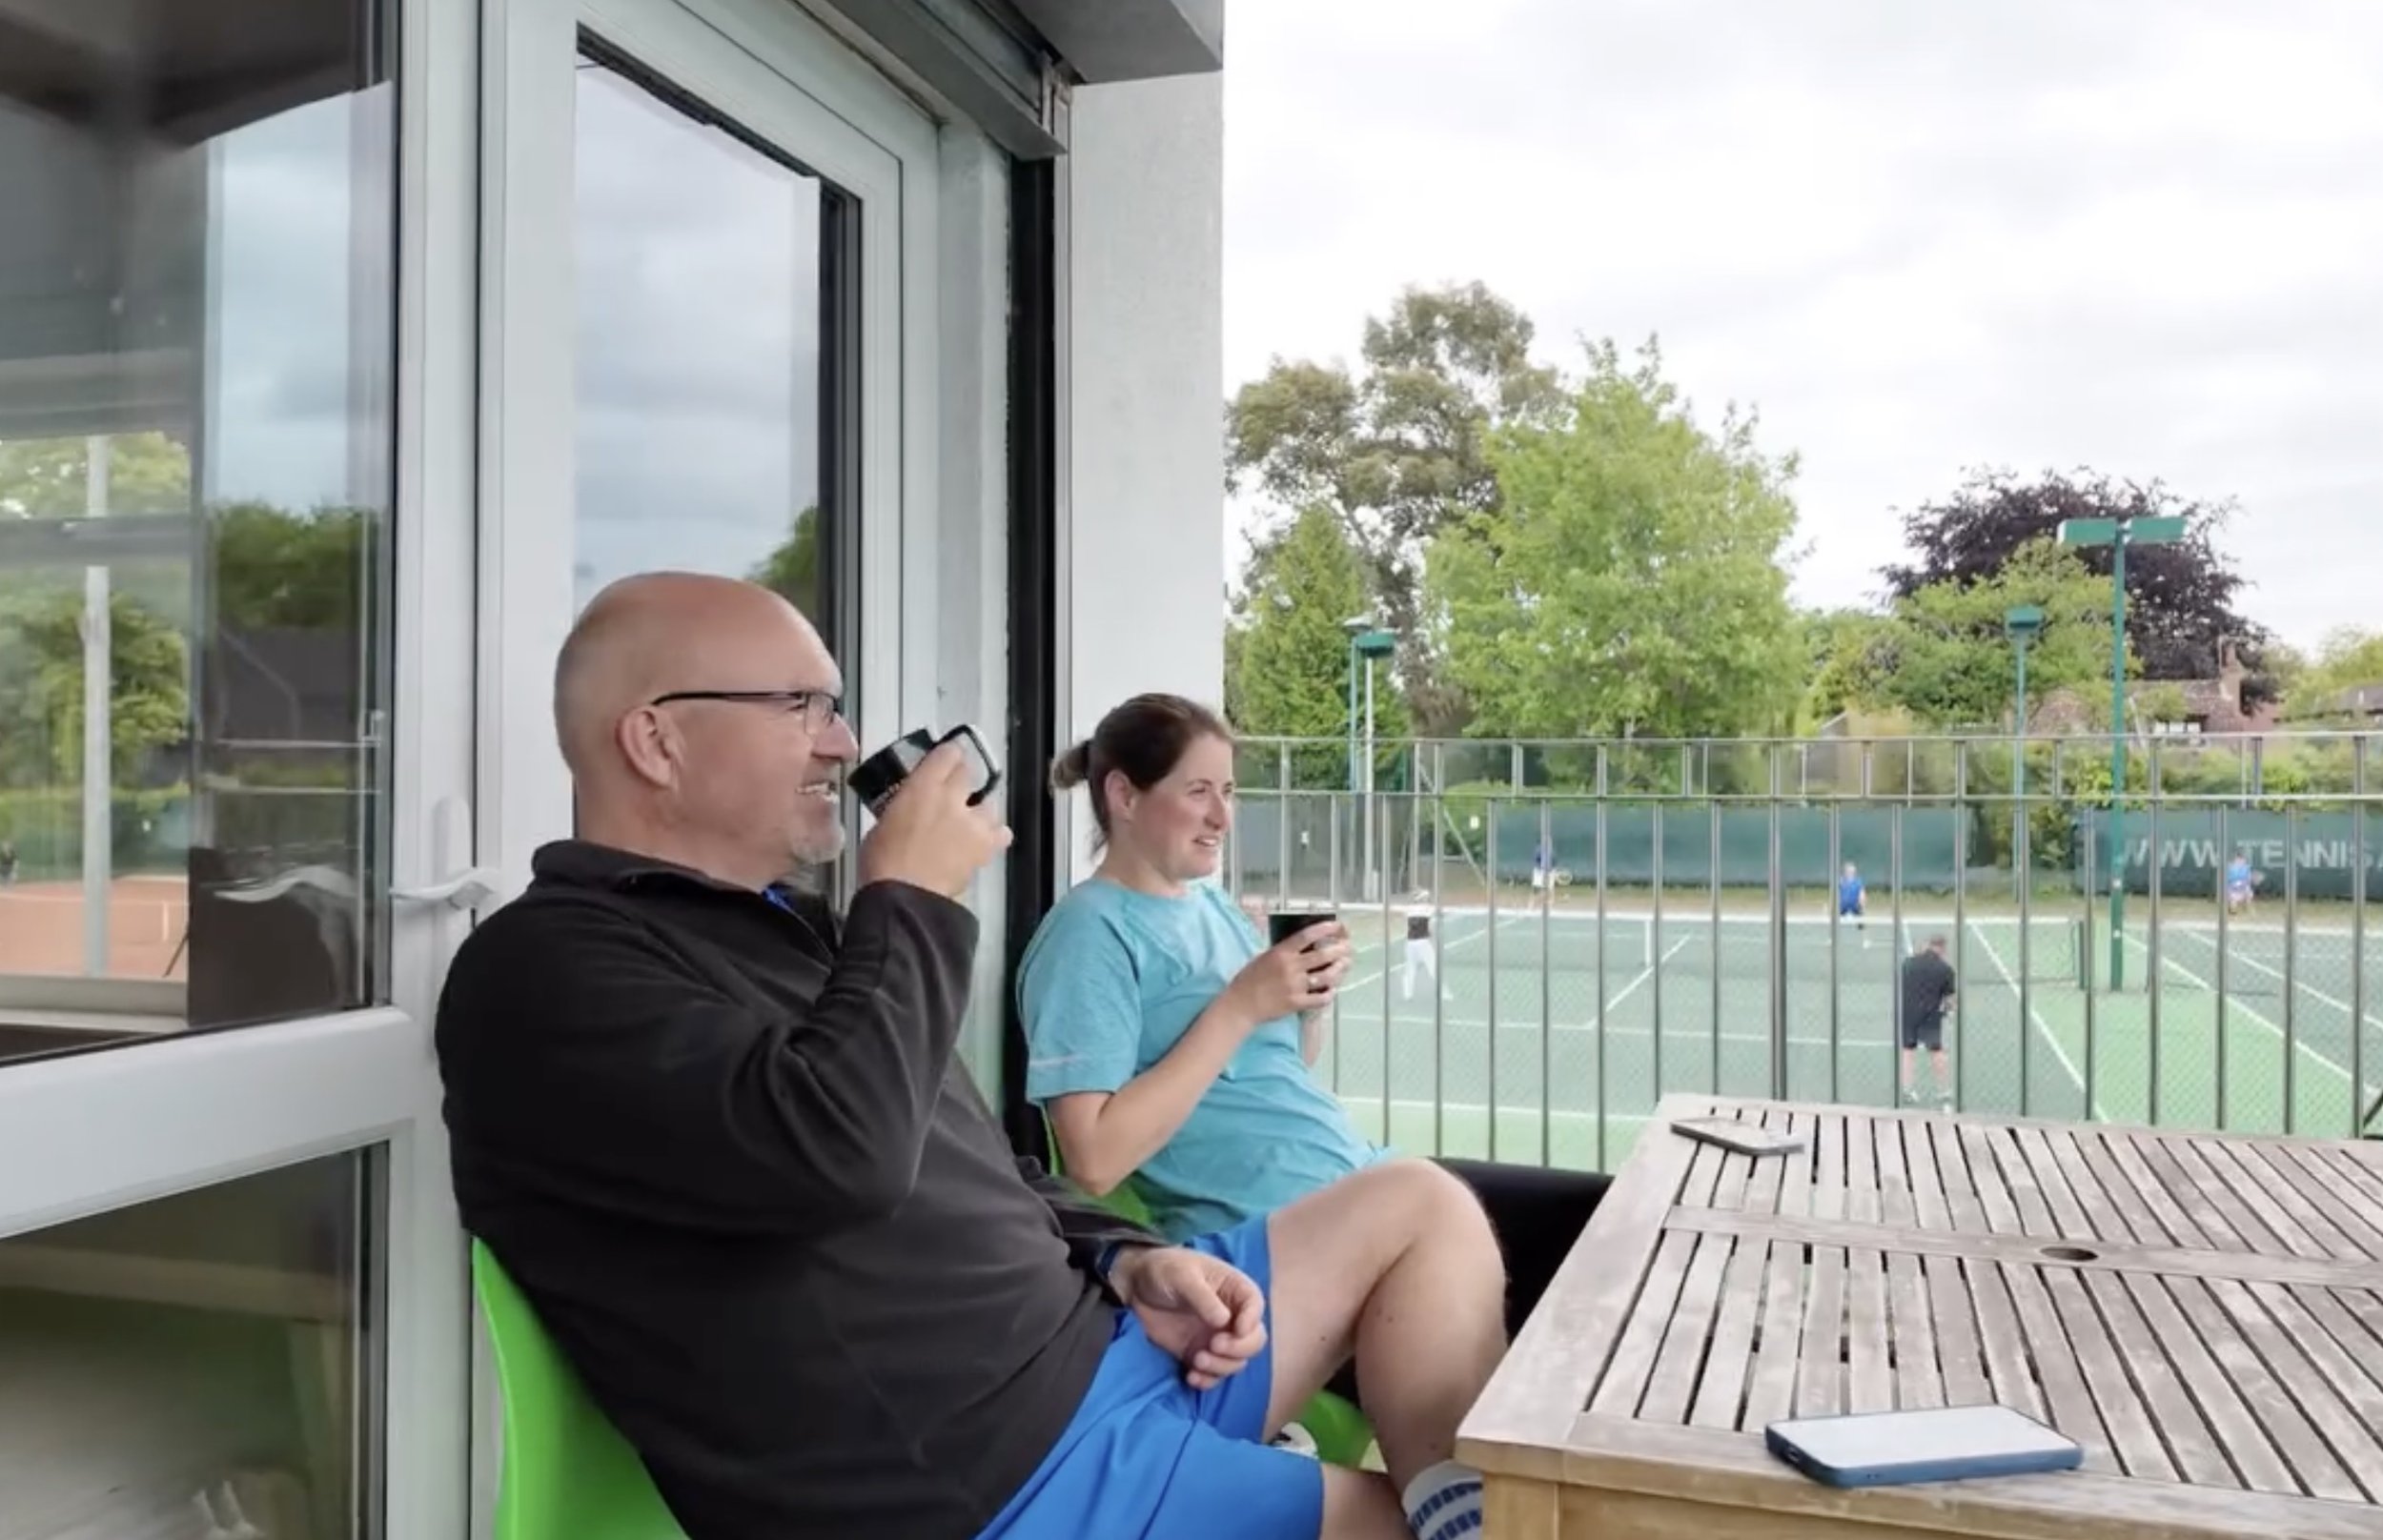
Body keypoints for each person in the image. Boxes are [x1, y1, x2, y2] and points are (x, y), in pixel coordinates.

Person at [437, 574, 1511, 1540]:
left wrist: (1124, 1256)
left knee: (1416, 1201)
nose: (840, 740)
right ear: (655, 741)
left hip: (1100, 1349)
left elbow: (970, 1158)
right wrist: (904, 900)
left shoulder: (778, 932)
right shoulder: (541, 975)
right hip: (1002, 1475)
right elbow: (834, 1159)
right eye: (799, 704)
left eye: (834, 703)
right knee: (1527, 1528)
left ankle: (1450, 1509)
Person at [1020, 695, 1610, 1352]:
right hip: (1275, 1243)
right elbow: (1093, 1160)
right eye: (1198, 791)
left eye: (1229, 791)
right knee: (1470, 1232)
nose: (1222, 815)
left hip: (1354, 1186)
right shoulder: (1087, 936)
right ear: (1125, 796)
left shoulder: (1212, 908)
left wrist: (1307, 1002)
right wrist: (1240, 1004)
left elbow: (1269, 1077)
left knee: (1603, 1216)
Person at [1898, 933, 1956, 1107]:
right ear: (1943, 948)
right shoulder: (1946, 969)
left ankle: (1907, 1090)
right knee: (1936, 1051)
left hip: (1909, 1013)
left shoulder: (1908, 964)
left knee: (1908, 1051)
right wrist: (1948, 1012)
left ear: (1928, 945)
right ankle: (1943, 1090)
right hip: (1931, 1015)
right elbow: (1950, 1000)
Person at [1837, 861, 1866, 946]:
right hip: (1843, 906)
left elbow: (1862, 893)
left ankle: (1864, 940)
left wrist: (1862, 902)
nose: (1850, 872)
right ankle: (1832, 939)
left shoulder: (1858, 881)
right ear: (1845, 872)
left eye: (1852, 871)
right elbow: (1837, 892)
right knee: (1835, 922)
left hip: (1855, 906)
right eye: (1848, 871)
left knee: (1862, 923)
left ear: (1854, 872)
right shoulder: (1841, 881)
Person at [2225, 850, 2258, 917]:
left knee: (2248, 893)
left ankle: (2249, 909)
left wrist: (2245, 882)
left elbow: (2248, 879)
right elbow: (2229, 879)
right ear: (2236, 859)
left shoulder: (2247, 868)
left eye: (2243, 859)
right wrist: (2236, 883)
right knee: (2233, 900)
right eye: (2239, 859)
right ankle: (2232, 910)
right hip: (2232, 889)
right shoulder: (2230, 867)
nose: (2241, 861)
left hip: (2243, 888)